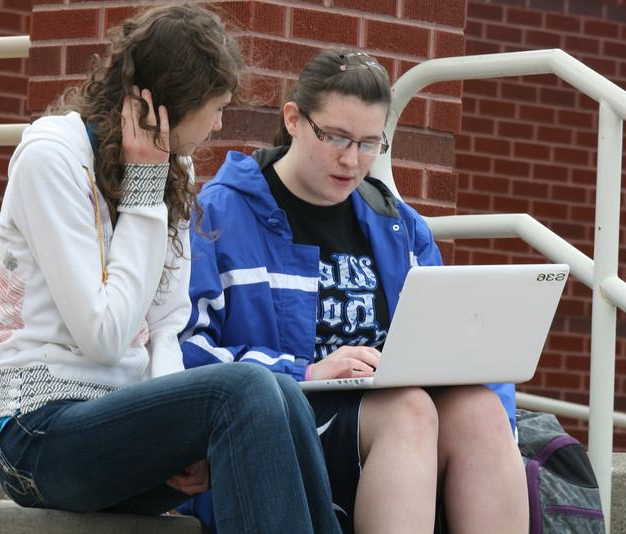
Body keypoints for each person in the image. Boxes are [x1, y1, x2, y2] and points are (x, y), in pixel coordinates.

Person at [0, 5, 341, 533]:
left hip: (128, 425)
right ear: (170, 105)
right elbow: (104, 335)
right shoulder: (52, 160)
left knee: (282, 395)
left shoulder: (172, 167)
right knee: (244, 390)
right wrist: (145, 187)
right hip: (38, 436)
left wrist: (180, 435)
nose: (220, 124)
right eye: (215, 108)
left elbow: (168, 322)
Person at [181, 48, 530, 533]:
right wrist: (307, 371)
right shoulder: (218, 216)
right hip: (283, 427)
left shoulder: (397, 226)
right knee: (409, 410)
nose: (352, 160)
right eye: (336, 138)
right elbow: (184, 354)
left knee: (481, 411)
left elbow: (460, 353)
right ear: (294, 120)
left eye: (370, 144)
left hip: (394, 431)